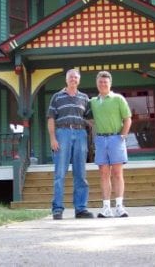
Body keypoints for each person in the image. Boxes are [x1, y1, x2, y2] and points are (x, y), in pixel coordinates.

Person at [47, 69, 94, 220]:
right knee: (60, 173)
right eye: (71, 77)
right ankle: (57, 209)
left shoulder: (84, 98)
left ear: (79, 80)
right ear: (66, 80)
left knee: (80, 174)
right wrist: (53, 139)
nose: (73, 79)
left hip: (80, 134)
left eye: (76, 77)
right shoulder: (57, 97)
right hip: (63, 133)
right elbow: (51, 119)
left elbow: (90, 119)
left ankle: (80, 209)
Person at [90, 71, 132, 218]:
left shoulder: (118, 99)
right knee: (103, 173)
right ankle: (106, 207)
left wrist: (123, 136)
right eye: (100, 82)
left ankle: (119, 206)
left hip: (116, 139)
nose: (103, 84)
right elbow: (88, 118)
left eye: (105, 82)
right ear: (97, 83)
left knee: (117, 173)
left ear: (110, 84)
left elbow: (127, 119)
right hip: (100, 140)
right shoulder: (93, 102)